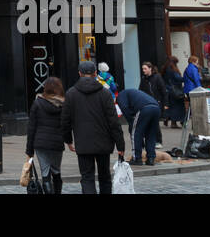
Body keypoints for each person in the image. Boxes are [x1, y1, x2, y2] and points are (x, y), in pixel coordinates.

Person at [61, 61, 125, 194]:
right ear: (95, 73)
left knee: (87, 177)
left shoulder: (71, 93)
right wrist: (120, 145)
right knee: (105, 177)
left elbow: (65, 121)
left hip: (83, 142)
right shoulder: (105, 93)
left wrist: (68, 140)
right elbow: (114, 122)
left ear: (79, 73)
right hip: (103, 141)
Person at [25, 76, 66, 194]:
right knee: (56, 171)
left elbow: (31, 128)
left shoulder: (38, 103)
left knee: (45, 173)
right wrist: (68, 140)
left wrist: (29, 150)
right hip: (57, 143)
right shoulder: (64, 104)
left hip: (41, 143)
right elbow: (66, 125)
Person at [116, 87, 161, 166]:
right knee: (151, 134)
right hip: (156, 108)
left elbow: (126, 110)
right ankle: (151, 159)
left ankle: (136, 158)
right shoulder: (131, 93)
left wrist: (132, 125)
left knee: (135, 133)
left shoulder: (120, 97)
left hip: (144, 108)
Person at [162, 57, 186, 128]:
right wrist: (185, 78)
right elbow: (178, 78)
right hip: (175, 91)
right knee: (177, 107)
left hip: (168, 90)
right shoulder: (172, 69)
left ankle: (168, 119)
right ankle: (174, 123)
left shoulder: (165, 68)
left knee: (171, 106)